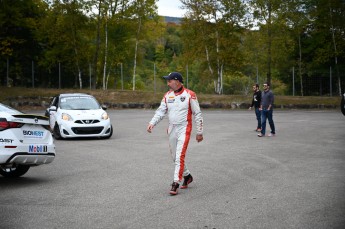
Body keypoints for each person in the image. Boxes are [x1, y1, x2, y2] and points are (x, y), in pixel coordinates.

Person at [147, 72, 204, 195]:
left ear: (177, 81)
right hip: (172, 129)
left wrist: (199, 132)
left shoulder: (190, 95)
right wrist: (152, 123)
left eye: (169, 80)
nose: (167, 83)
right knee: (175, 158)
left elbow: (197, 113)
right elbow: (161, 111)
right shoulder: (167, 95)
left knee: (179, 157)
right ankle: (187, 176)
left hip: (184, 128)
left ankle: (175, 183)